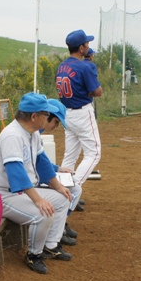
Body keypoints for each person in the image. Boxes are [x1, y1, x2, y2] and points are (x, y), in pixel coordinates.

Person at [0, 92, 76, 274]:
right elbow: (17, 173)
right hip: (5, 195)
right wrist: (38, 200)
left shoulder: (32, 133)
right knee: (43, 213)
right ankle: (33, 254)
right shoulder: (12, 135)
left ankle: (50, 246)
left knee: (63, 198)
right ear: (34, 116)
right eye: (46, 114)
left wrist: (59, 187)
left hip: (22, 192)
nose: (48, 118)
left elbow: (43, 164)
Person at [55, 29, 103, 187]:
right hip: (82, 112)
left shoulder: (62, 66)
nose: (88, 46)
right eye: (86, 44)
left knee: (70, 156)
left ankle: (62, 187)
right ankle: (73, 187)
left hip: (67, 113)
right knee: (94, 153)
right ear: (81, 48)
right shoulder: (84, 67)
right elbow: (98, 91)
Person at [42, 98, 80, 246]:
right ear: (47, 116)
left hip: (36, 179)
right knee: (64, 195)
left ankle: (61, 224)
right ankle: (52, 241)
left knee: (76, 188)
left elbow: (42, 161)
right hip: (28, 185)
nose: (56, 126)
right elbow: (37, 166)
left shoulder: (36, 134)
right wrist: (56, 184)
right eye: (56, 122)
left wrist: (57, 169)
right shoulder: (29, 133)